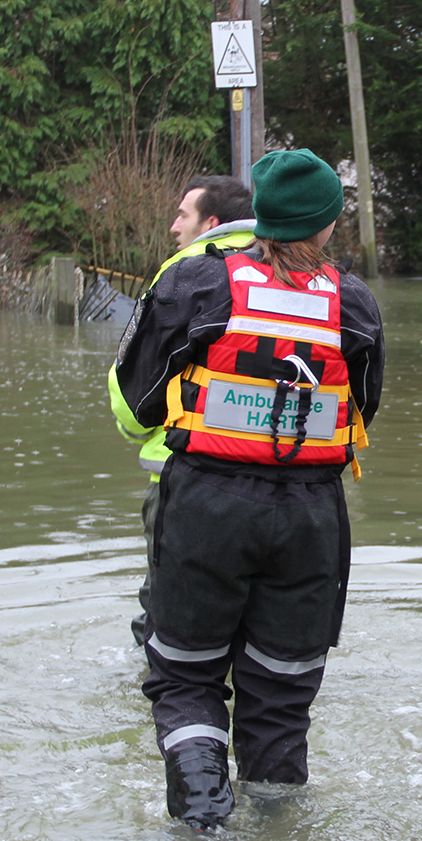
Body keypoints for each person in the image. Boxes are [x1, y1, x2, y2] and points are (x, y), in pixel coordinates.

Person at [114, 150, 384, 830]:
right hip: (310, 518)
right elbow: (361, 412)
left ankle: (201, 833)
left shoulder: (196, 285)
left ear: (259, 214)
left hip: (206, 506)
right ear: (327, 226)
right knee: (281, 697)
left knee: (185, 679)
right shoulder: (354, 303)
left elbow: (139, 401)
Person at [107, 176, 258, 648]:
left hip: (182, 475)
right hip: (278, 486)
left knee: (167, 620)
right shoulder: (292, 268)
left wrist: (134, 429)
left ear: (211, 223)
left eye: (182, 215)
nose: (174, 226)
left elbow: (132, 387)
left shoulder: (182, 274)